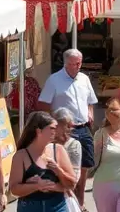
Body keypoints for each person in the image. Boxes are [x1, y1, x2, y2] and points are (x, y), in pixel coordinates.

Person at [36, 49, 98, 208]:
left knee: (84, 167)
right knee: (67, 167)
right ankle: (68, 202)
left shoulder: (84, 79)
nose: (77, 66)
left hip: (84, 128)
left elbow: (91, 100)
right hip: (66, 130)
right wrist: (53, 127)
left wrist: (90, 112)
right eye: (73, 64)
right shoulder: (54, 80)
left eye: (79, 63)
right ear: (65, 63)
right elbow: (43, 105)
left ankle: (80, 203)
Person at [8, 111, 78, 212]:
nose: (55, 131)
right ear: (39, 131)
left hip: (57, 206)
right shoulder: (21, 156)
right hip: (30, 207)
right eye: (52, 128)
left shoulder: (58, 150)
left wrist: (58, 170)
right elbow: (14, 189)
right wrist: (37, 186)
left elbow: (72, 184)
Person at [51, 107, 84, 203]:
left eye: (59, 124)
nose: (54, 127)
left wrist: (54, 186)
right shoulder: (46, 142)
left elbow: (75, 177)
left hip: (64, 196)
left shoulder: (74, 145)